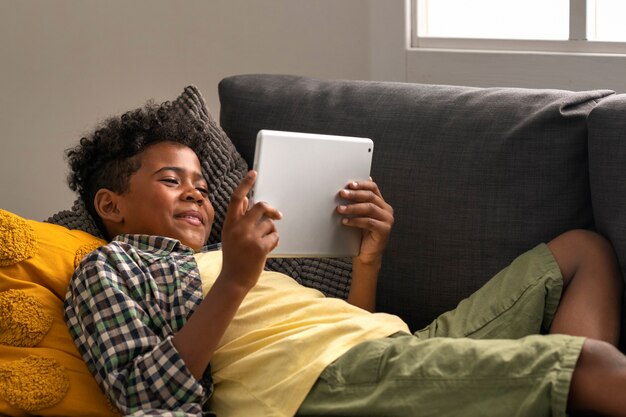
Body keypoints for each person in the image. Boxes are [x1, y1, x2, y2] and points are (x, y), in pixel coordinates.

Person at [63, 100, 626, 417]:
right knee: (590, 366)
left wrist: (368, 263)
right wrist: (235, 278)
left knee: (583, 253)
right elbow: (144, 396)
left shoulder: (225, 252)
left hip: (391, 349)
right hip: (320, 387)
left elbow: (345, 328)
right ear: (110, 205)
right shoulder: (109, 269)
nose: (197, 194)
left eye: (204, 186)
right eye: (171, 180)